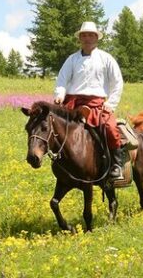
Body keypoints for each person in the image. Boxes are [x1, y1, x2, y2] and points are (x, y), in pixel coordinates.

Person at [54, 21, 125, 181]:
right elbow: (62, 80)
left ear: (96, 37)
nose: (87, 38)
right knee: (54, 127)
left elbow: (117, 82)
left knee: (110, 128)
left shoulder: (107, 59)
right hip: (73, 103)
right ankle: (60, 163)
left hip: (97, 104)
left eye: (91, 35)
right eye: (84, 35)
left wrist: (111, 104)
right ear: (80, 38)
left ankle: (116, 164)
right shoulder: (71, 60)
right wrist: (60, 94)